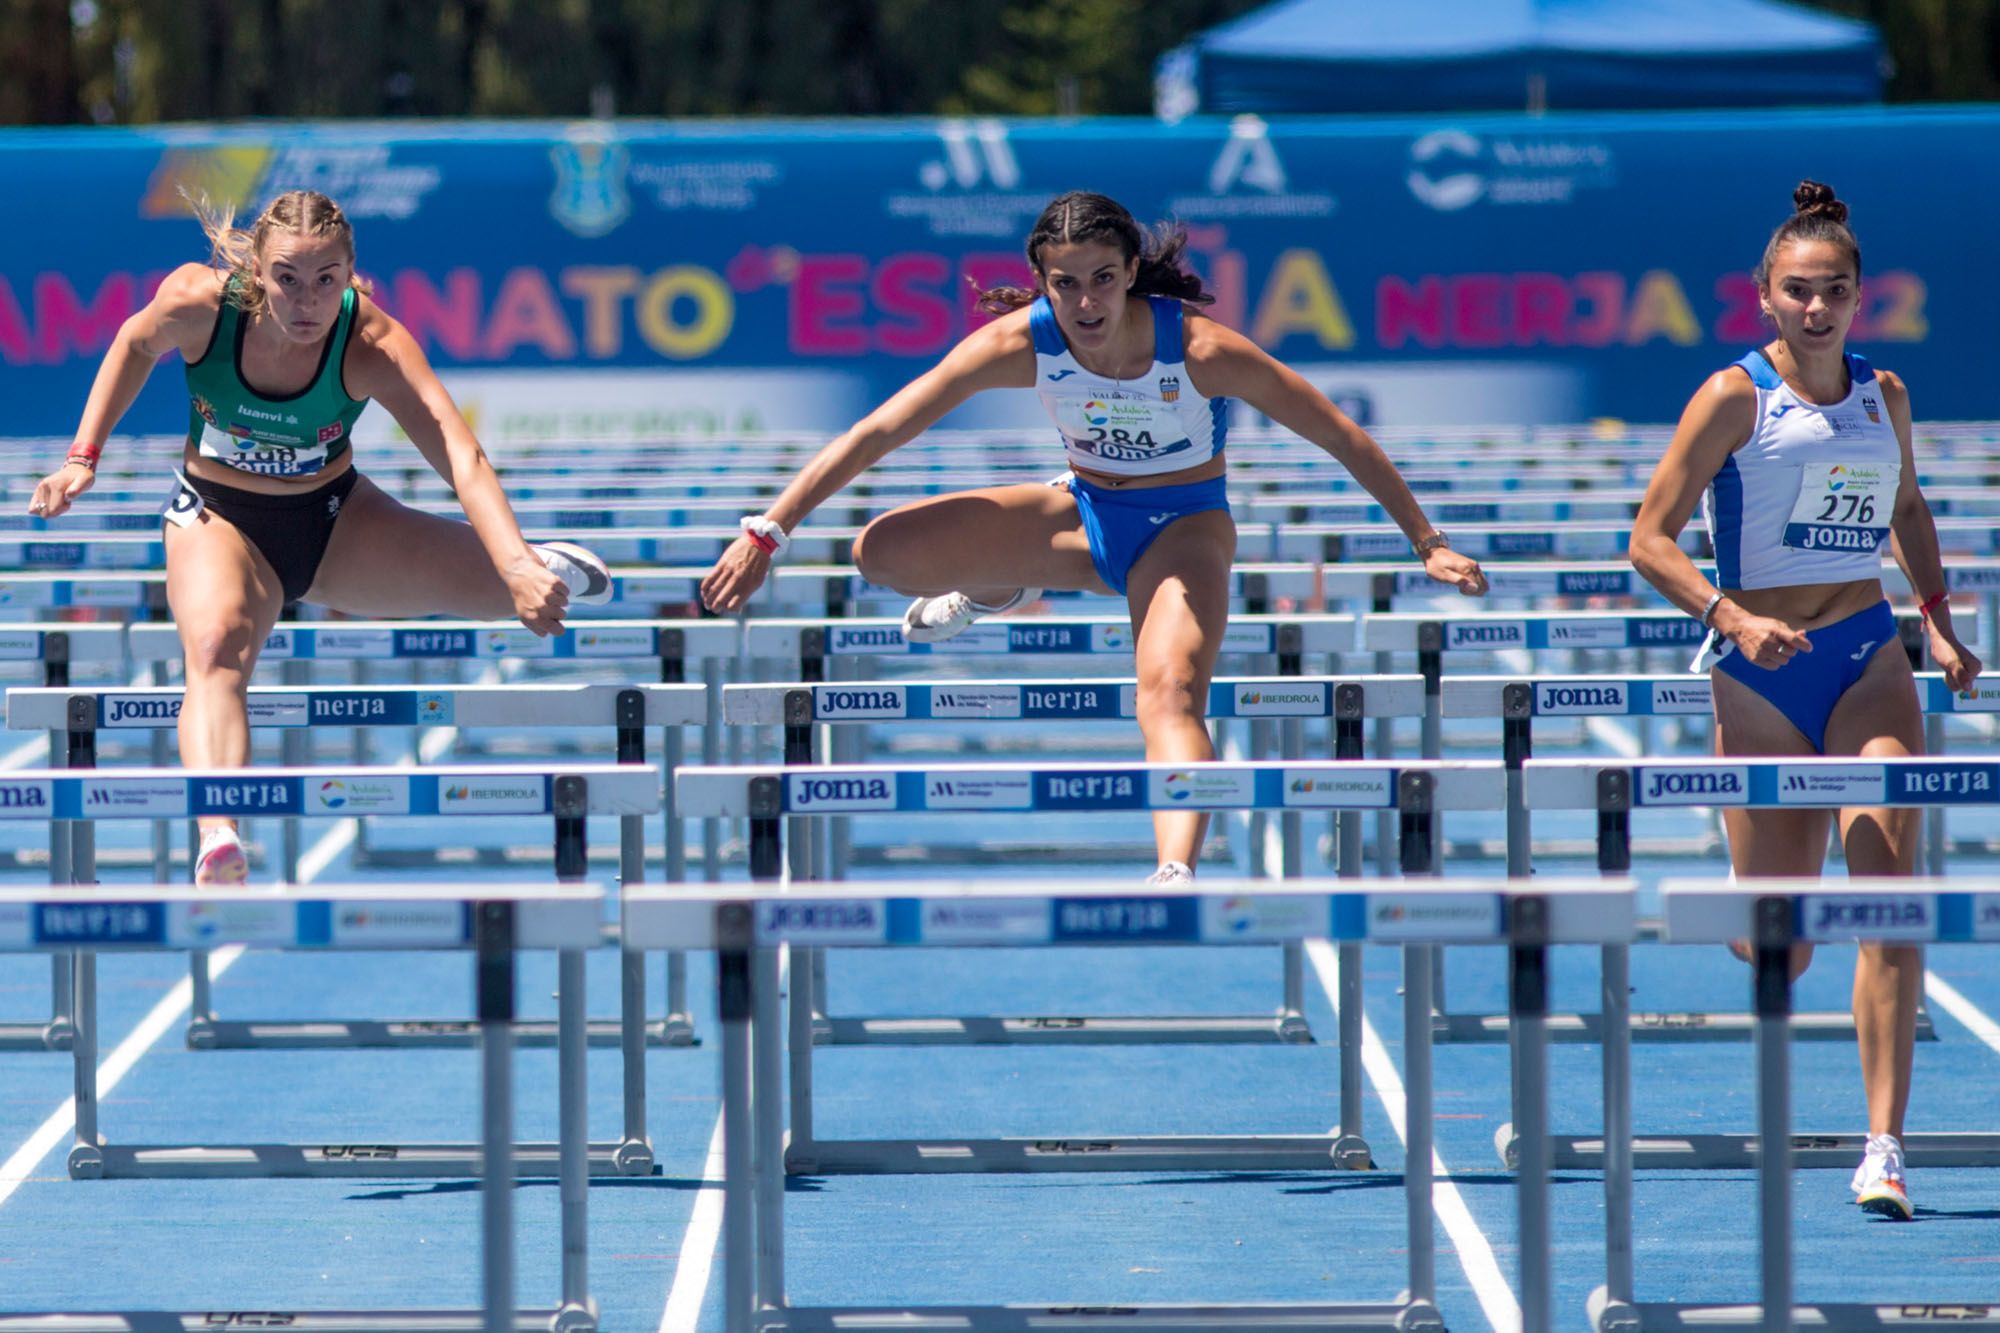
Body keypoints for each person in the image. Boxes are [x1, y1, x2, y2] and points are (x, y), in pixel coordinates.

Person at [702, 190, 1487, 882]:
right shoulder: (1022, 342)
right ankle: (999, 586)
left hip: (1183, 531)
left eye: (1103, 279)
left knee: (1170, 692)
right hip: (1081, 516)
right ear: (1042, 283)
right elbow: (879, 429)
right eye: (1065, 283)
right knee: (881, 553)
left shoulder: (1200, 349)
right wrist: (769, 531)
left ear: (1131, 271)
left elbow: (1342, 435)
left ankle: (1175, 868)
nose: (1085, 302)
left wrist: (1427, 542)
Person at [27, 190, 613, 885]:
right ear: (255, 270)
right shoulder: (197, 303)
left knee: (503, 592)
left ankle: (541, 562)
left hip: (336, 522)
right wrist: (81, 457)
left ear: (350, 273)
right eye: (288, 280)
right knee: (215, 648)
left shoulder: (371, 343)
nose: (307, 302)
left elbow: (462, 456)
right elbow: (131, 343)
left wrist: (515, 564)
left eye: (326, 281)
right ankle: (219, 831)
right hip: (219, 519)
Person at [1630, 181, 1980, 1221]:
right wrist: (1729, 618)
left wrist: (1935, 618)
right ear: (1764, 299)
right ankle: (1753, 902)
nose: (1816, 308)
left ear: (1857, 297)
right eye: (1797, 292)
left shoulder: (1886, 395)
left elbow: (1906, 503)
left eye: (1833, 291)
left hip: (1865, 655)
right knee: (1773, 935)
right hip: (1759, 675)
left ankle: (1882, 1145)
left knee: (1887, 899)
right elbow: (1646, 540)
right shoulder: (1730, 397)